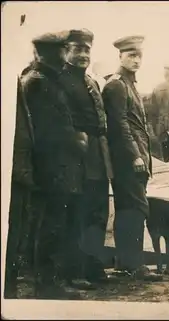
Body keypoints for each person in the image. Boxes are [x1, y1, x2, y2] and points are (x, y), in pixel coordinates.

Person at [23, 30, 85, 299]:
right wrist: (78, 141)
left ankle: (48, 281)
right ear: (51, 53)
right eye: (62, 51)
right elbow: (51, 131)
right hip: (51, 167)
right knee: (49, 224)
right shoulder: (40, 83)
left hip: (54, 166)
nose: (65, 57)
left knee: (50, 223)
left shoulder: (44, 79)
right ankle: (46, 285)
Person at [101, 35, 162, 281]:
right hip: (128, 159)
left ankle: (127, 264)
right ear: (120, 56)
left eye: (139, 56)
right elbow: (120, 125)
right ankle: (131, 265)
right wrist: (136, 156)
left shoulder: (129, 84)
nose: (136, 60)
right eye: (131, 55)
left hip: (136, 157)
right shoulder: (116, 85)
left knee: (131, 209)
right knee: (134, 208)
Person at [58, 29, 114, 288]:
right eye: (77, 49)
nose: (82, 54)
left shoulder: (91, 82)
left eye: (86, 50)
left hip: (97, 157)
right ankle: (73, 270)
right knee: (77, 214)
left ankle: (93, 265)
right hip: (75, 156)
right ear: (65, 51)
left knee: (97, 212)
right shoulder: (60, 80)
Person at [4, 71, 37, 299]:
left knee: (19, 224)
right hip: (14, 168)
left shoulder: (17, 79)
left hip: (21, 167)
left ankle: (11, 282)